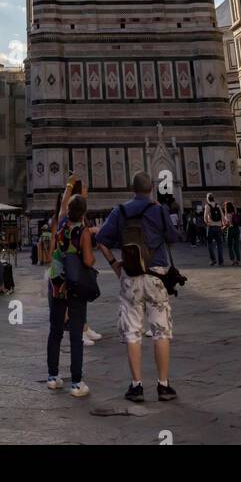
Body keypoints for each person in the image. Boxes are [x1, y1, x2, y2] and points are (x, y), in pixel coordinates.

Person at [95, 171, 179, 403]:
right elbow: (173, 237)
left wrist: (115, 266)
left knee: (132, 333)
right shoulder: (159, 210)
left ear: (133, 189)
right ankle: (163, 386)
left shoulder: (119, 211)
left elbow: (101, 240)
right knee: (161, 331)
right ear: (151, 187)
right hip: (157, 277)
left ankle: (136, 386)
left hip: (130, 278)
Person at [45, 179, 94, 398]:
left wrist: (69, 184)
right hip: (75, 285)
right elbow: (89, 260)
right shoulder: (83, 232)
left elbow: (64, 204)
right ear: (83, 212)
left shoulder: (60, 223)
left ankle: (53, 377)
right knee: (75, 334)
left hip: (56, 283)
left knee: (55, 331)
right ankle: (76, 383)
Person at [204, 193, 225, 266]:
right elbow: (222, 216)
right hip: (219, 226)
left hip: (211, 226)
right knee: (219, 244)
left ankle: (213, 260)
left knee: (209, 243)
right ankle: (221, 261)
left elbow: (205, 216)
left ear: (207, 199)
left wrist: (207, 223)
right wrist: (223, 224)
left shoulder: (207, 206)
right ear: (213, 198)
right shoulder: (218, 205)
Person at [223, 201, 241, 265]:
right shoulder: (235, 212)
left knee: (230, 246)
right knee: (236, 245)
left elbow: (227, 224)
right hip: (236, 229)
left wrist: (223, 228)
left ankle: (232, 260)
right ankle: (238, 260)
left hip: (230, 229)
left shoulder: (227, 214)